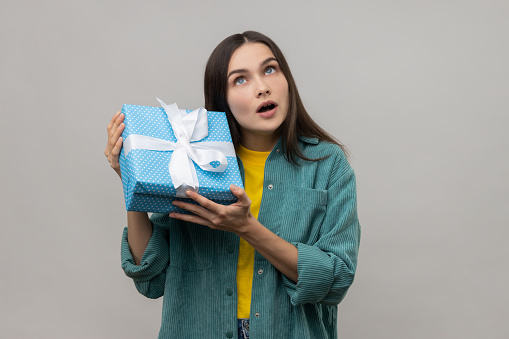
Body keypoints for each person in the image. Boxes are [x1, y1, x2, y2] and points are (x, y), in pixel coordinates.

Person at [105, 31, 360, 339]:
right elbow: (150, 278)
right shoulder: (192, 162)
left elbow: (336, 280)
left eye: (270, 69)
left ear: (286, 79)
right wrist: (131, 180)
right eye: (241, 79)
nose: (262, 87)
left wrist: (246, 227)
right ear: (220, 98)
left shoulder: (327, 163)